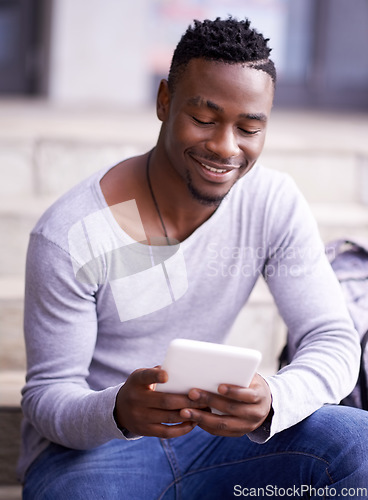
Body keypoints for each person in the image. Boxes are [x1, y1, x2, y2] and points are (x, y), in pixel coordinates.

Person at [18, 17, 368, 499]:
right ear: (164, 101)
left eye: (248, 128)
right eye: (204, 119)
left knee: (359, 444)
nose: (226, 147)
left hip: (216, 441)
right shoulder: (71, 233)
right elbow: (47, 397)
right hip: (93, 453)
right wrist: (120, 409)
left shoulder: (271, 203)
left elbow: (332, 337)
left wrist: (275, 399)